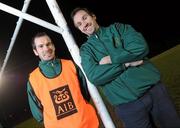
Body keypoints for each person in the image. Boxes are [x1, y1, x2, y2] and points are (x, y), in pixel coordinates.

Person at [71, 7, 180, 128]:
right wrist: (126, 63)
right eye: (79, 24)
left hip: (155, 93)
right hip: (128, 108)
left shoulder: (118, 28)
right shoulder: (86, 51)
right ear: (79, 29)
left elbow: (140, 47)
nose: (84, 24)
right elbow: (95, 76)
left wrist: (111, 59)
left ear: (93, 16)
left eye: (85, 18)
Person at [26, 32, 99, 128]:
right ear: (35, 51)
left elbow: (85, 93)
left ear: (53, 46)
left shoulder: (71, 65)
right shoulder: (33, 79)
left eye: (48, 44)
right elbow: (38, 114)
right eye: (41, 46)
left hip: (86, 124)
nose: (46, 48)